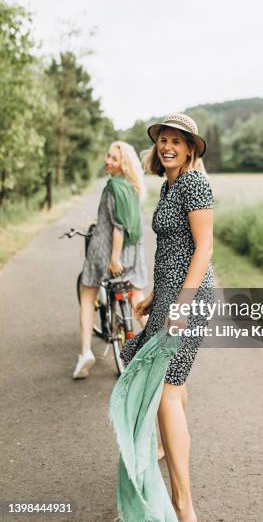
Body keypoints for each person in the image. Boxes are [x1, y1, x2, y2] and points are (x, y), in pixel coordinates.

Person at [117, 113, 214, 522]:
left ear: (191, 147)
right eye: (163, 140)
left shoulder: (194, 184)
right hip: (171, 296)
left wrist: (181, 303)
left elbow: (204, 248)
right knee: (171, 388)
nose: (168, 146)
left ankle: (182, 506)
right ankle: (166, 451)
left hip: (189, 299)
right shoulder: (170, 185)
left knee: (166, 392)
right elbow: (176, 249)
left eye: (177, 140)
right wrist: (156, 296)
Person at [73, 141, 148, 380]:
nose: (108, 161)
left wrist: (114, 258)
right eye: (108, 156)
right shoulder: (134, 187)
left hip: (106, 253)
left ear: (123, 164)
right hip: (134, 254)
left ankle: (85, 353)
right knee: (138, 301)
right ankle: (161, 347)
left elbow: (118, 228)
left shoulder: (113, 186)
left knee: (87, 296)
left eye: (115, 159)